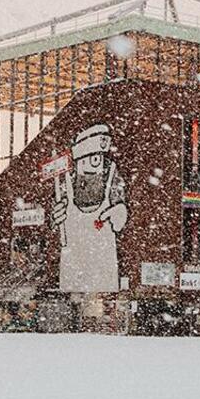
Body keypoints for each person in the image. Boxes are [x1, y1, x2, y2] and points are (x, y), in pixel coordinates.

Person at [51, 124, 128, 292]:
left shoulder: (110, 184)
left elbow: (120, 216)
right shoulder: (66, 188)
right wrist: (56, 218)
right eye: (89, 161)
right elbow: (54, 219)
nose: (93, 169)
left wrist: (118, 213)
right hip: (73, 274)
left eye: (97, 161)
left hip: (103, 275)